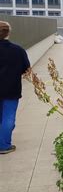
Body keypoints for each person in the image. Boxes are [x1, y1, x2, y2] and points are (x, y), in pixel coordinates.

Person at [0, 21, 31, 154]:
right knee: (8, 117)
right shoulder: (18, 50)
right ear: (8, 32)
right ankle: (4, 145)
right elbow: (26, 69)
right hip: (11, 89)